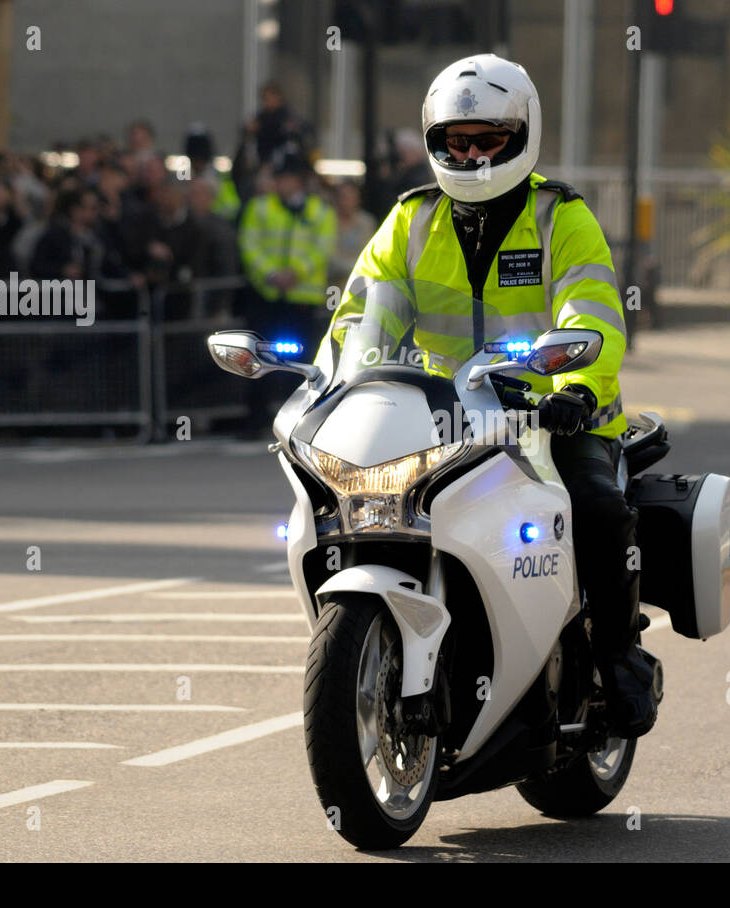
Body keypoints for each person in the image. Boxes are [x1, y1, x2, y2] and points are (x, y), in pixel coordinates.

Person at [321, 53, 655, 737]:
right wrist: (334, 385)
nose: (471, 154)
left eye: (489, 140)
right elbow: (358, 314)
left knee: (595, 502)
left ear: (522, 134)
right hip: (450, 416)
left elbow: (592, 313)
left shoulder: (562, 217)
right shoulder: (411, 221)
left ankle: (622, 658)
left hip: (556, 417)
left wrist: (578, 389)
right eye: (456, 141)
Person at [238, 147, 336, 436]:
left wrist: (295, 272)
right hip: (267, 299)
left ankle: (304, 423)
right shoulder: (260, 208)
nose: (286, 184)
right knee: (258, 361)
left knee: (304, 363)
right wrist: (271, 274)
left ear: (302, 180)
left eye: (292, 178)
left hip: (302, 301)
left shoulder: (319, 212)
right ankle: (256, 420)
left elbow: (322, 248)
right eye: (281, 178)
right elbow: (249, 244)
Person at [327, 180, 376, 290]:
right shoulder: (328, 221)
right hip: (331, 287)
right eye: (342, 197)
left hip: (359, 289)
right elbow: (328, 257)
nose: (346, 201)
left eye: (351, 197)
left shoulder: (367, 223)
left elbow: (368, 257)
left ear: (358, 199)